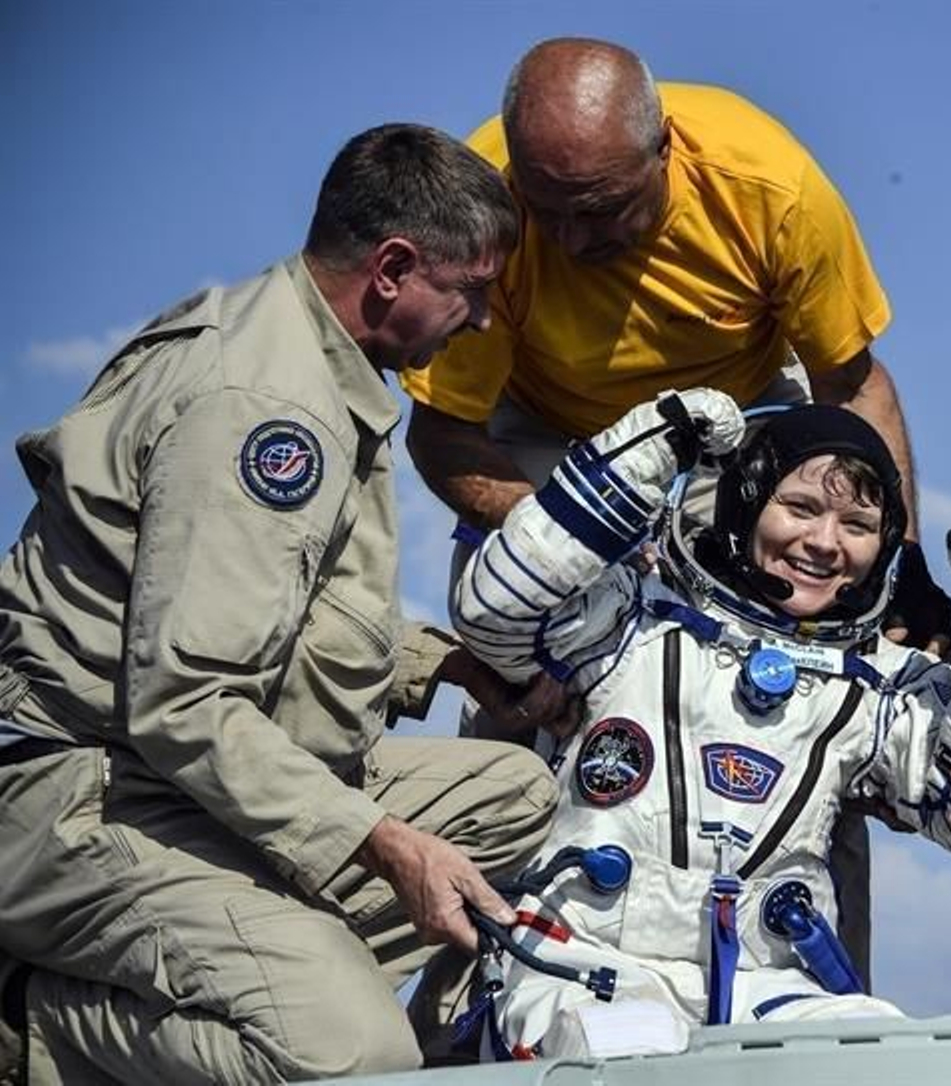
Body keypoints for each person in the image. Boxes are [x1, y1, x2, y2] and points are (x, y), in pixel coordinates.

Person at [0, 124, 560, 1083]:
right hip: (88, 800)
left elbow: (268, 607)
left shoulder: (296, 340)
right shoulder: (266, 410)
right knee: (350, 1057)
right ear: (392, 269)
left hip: (182, 772)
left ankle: (270, 960)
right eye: (469, 291)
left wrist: (452, 664)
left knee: (515, 800)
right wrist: (385, 844)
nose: (476, 323)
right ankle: (38, 1026)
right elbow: (186, 702)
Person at [401, 35, 951, 982]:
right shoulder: (486, 197)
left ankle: (821, 993)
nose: (574, 242)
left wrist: (898, 572)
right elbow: (444, 436)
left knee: (820, 689)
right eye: (552, 213)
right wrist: (585, 543)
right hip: (549, 428)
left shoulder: (770, 188)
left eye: (604, 211)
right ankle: (471, 997)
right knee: (523, 684)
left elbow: (852, 385)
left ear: (666, 154)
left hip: (742, 422)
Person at [447, 391, 951, 1058]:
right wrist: (654, 444)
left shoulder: (872, 682)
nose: (824, 543)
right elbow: (496, 610)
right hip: (582, 960)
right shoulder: (633, 622)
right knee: (630, 1050)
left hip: (762, 980)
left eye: (856, 524)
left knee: (880, 1058)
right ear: (745, 503)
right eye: (799, 508)